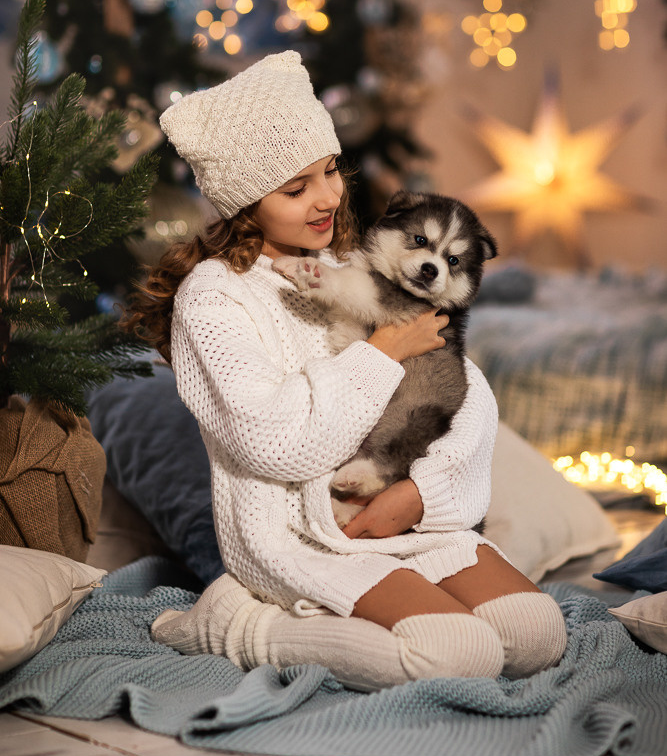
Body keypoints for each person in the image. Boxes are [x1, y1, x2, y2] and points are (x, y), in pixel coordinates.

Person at [126, 51, 567, 690]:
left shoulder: (349, 265)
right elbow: (274, 442)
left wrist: (422, 495)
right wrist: (384, 351)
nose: (329, 196)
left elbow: (465, 395)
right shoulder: (215, 298)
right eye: (296, 188)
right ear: (244, 202)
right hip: (302, 533)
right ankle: (235, 622)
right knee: (457, 654)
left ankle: (405, 586)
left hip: (400, 509)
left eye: (330, 169)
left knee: (536, 635)